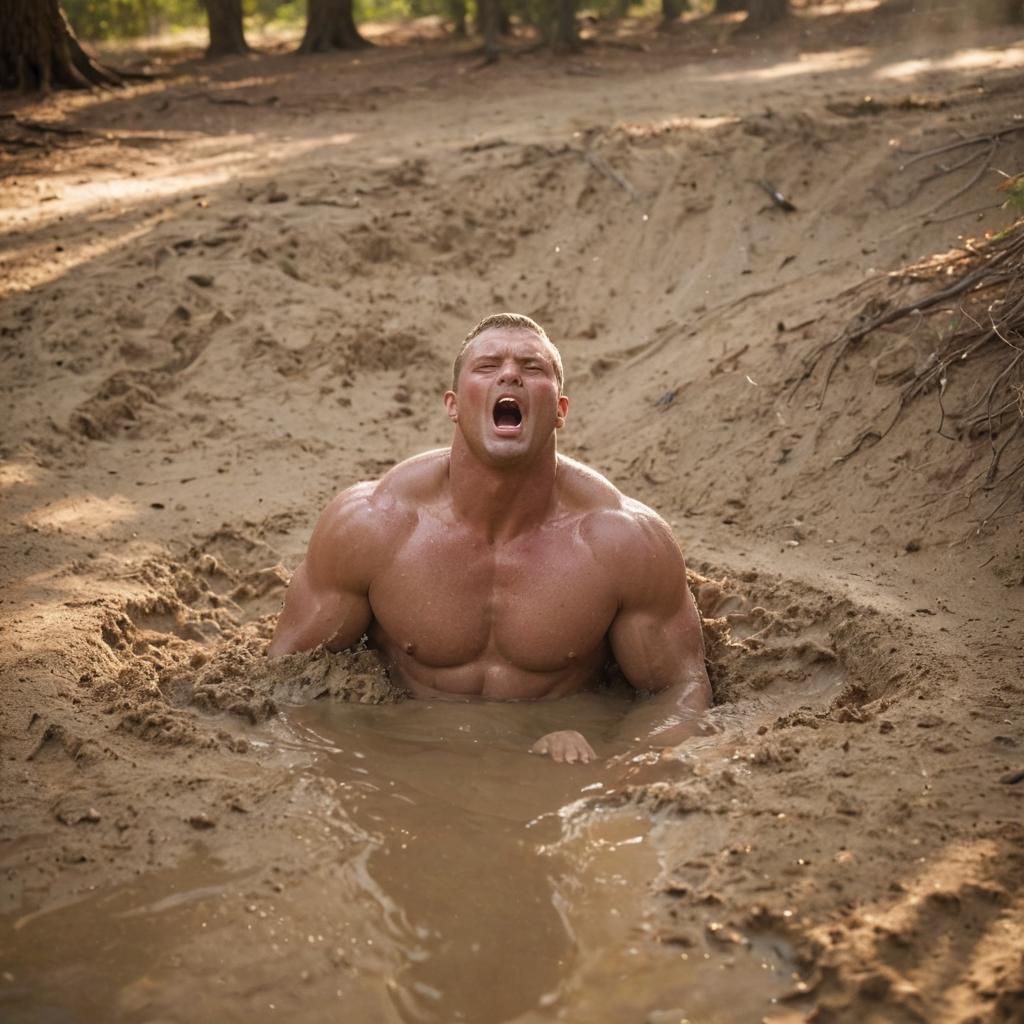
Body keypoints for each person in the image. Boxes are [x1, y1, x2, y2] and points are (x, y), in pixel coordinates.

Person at [268, 313, 712, 763]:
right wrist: (358, 750)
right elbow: (287, 676)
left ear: (560, 411)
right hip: (404, 758)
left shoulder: (623, 541)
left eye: (532, 368)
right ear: (454, 405)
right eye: (487, 366)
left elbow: (680, 691)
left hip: (551, 765)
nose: (510, 374)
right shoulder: (372, 526)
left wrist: (610, 758)